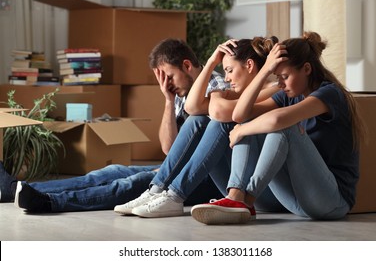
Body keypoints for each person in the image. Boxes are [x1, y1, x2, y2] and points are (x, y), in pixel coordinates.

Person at [0, 38, 228, 212]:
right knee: (111, 171)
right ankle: (16, 190)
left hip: (204, 180)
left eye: (169, 76)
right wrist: (168, 101)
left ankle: (50, 202)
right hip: (176, 168)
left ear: (187, 65)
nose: (167, 84)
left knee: (131, 182)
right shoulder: (181, 93)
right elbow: (169, 149)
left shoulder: (216, 86)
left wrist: (169, 168)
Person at [190, 31, 366, 225]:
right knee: (249, 121)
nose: (280, 84)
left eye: (284, 76)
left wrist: (241, 130)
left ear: (306, 69)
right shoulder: (288, 94)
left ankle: (247, 200)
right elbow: (239, 114)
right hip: (297, 201)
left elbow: (277, 120)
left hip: (332, 201)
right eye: (277, 77)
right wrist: (265, 69)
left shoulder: (329, 93)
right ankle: (236, 196)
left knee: (283, 127)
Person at [114, 36, 282, 218]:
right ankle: (158, 190)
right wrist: (211, 62)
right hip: (237, 186)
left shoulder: (276, 89)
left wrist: (218, 92)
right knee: (198, 120)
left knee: (220, 123)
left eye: (229, 70)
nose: (226, 78)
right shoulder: (236, 92)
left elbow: (219, 112)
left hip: (264, 192)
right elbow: (192, 108)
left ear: (249, 66)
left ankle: (175, 195)